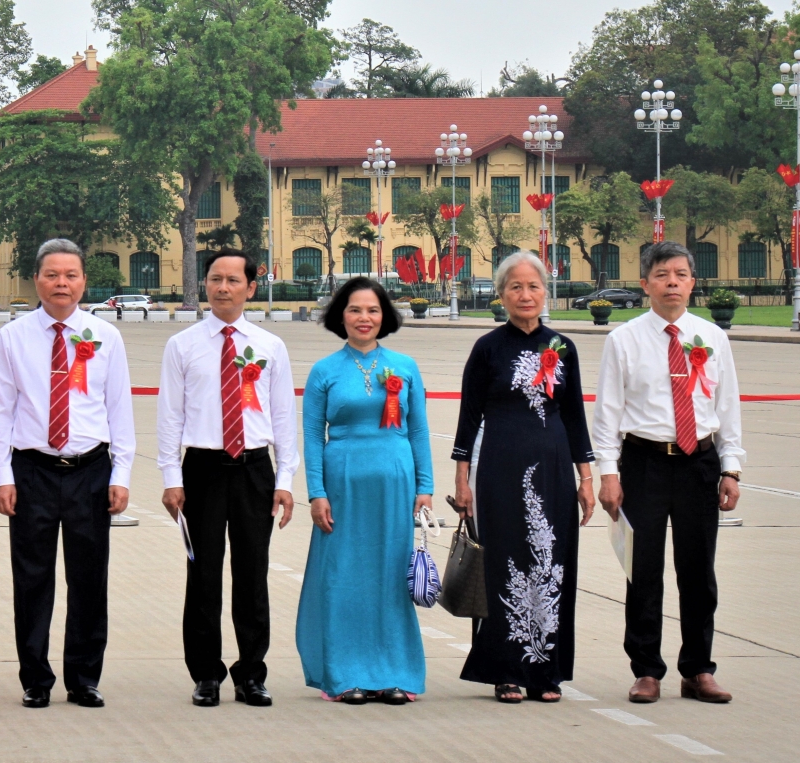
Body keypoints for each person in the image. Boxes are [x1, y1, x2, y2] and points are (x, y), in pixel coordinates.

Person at [593, 241, 743, 705]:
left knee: (698, 571)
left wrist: (731, 467)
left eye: (680, 274)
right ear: (645, 284)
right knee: (643, 571)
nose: (672, 283)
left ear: (693, 283)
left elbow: (727, 406)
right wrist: (608, 473)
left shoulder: (712, 338)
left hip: (700, 463)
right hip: (645, 462)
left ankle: (698, 669)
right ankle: (646, 670)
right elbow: (607, 412)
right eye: (662, 275)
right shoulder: (624, 339)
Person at [0, 239, 135, 709]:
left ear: (84, 281)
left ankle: (84, 678)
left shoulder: (105, 336)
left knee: (89, 578)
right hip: (32, 470)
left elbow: (119, 407)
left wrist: (121, 473)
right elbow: (0, 409)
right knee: (32, 579)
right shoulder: (13, 337)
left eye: (71, 275)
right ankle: (35, 678)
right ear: (37, 280)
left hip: (90, 470)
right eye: (52, 275)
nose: (61, 284)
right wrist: (2, 475)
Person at [450, 251, 594, 704]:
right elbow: (469, 417)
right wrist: (462, 480)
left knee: (552, 562)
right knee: (504, 561)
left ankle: (546, 672)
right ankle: (506, 671)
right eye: (516, 287)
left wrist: (586, 478)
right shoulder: (488, 348)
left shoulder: (563, 348)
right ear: (501, 294)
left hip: (554, 469)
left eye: (533, 286)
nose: (525, 295)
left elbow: (575, 417)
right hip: (500, 469)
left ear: (545, 292)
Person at [157, 248, 298, 708]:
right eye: (215, 279)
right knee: (203, 574)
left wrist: (285, 479)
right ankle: (206, 674)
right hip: (202, 469)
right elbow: (170, 416)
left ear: (250, 288)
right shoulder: (182, 345)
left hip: (254, 469)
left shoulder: (270, 346)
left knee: (252, 574)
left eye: (233, 280)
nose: (223, 288)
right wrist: (171, 477)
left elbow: (283, 417)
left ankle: (251, 674)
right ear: (205, 285)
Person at [296, 277, 431, 705]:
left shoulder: (405, 366)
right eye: (355, 309)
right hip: (343, 482)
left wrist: (425, 487)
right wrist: (316, 492)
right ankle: (344, 674)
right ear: (341, 316)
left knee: (390, 576)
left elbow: (418, 430)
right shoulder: (324, 371)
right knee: (343, 576)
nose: (364, 318)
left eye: (372, 310)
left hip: (395, 481)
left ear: (384, 316)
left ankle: (394, 673)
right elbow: (312, 435)